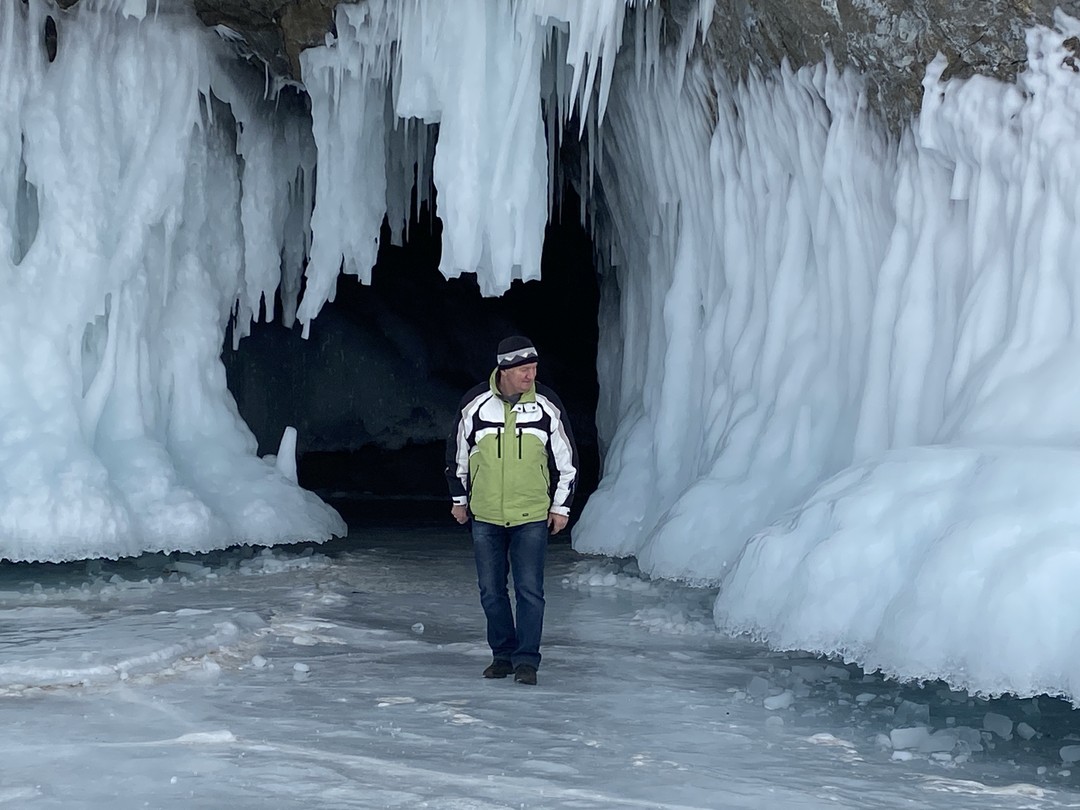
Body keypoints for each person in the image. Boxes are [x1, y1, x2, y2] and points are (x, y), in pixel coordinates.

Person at [445, 335, 579, 686]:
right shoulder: (475, 404)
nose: (531, 375)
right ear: (504, 370)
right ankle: (502, 656)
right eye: (524, 369)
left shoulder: (546, 404)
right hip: (485, 515)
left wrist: (560, 507)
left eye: (533, 368)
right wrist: (460, 501)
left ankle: (526, 662)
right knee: (491, 590)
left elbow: (567, 462)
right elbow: (457, 456)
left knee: (530, 590)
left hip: (531, 516)